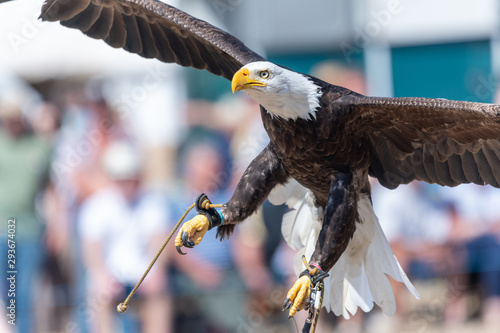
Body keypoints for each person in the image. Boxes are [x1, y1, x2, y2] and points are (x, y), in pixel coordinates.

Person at [78, 141, 172, 333]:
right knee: (100, 294)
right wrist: (102, 276)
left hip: (142, 272)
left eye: (130, 177)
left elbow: (160, 242)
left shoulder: (153, 202)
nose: (127, 183)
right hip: (110, 273)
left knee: (159, 294)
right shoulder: (96, 206)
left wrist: (155, 272)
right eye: (121, 178)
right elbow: (92, 251)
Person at [0, 96, 52, 333]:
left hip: (29, 229)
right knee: (6, 292)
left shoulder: (39, 147)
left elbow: (50, 188)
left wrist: (56, 224)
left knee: (24, 292)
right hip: (3, 229)